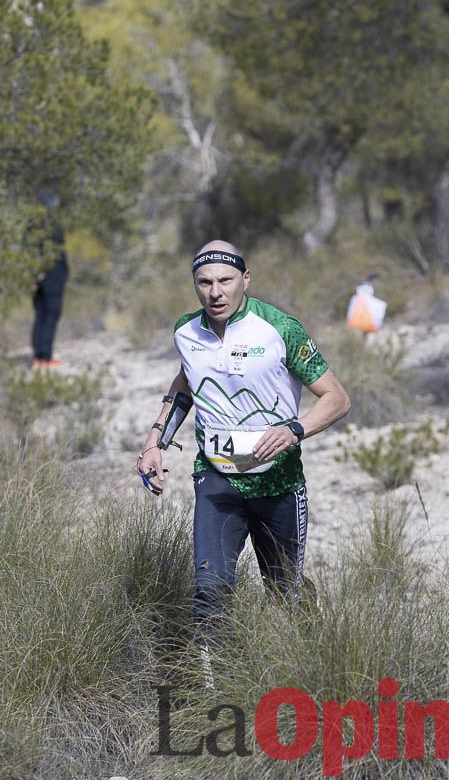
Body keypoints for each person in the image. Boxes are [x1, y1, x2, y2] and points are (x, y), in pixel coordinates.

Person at [137, 240, 350, 633]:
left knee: (284, 592)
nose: (215, 292)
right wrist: (155, 442)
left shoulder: (280, 329)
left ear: (245, 280)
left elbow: (337, 398)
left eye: (225, 280)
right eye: (205, 282)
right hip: (217, 479)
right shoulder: (186, 331)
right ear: (195, 285)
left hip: (278, 481)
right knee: (210, 590)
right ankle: (215, 691)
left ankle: (315, 648)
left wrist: (293, 430)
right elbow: (186, 383)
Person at [30, 194, 69, 371]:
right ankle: (44, 357)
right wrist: (42, 272)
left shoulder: (32, 225)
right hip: (51, 277)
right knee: (50, 315)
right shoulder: (50, 225)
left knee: (41, 314)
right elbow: (50, 253)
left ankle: (39, 355)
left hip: (38, 277)